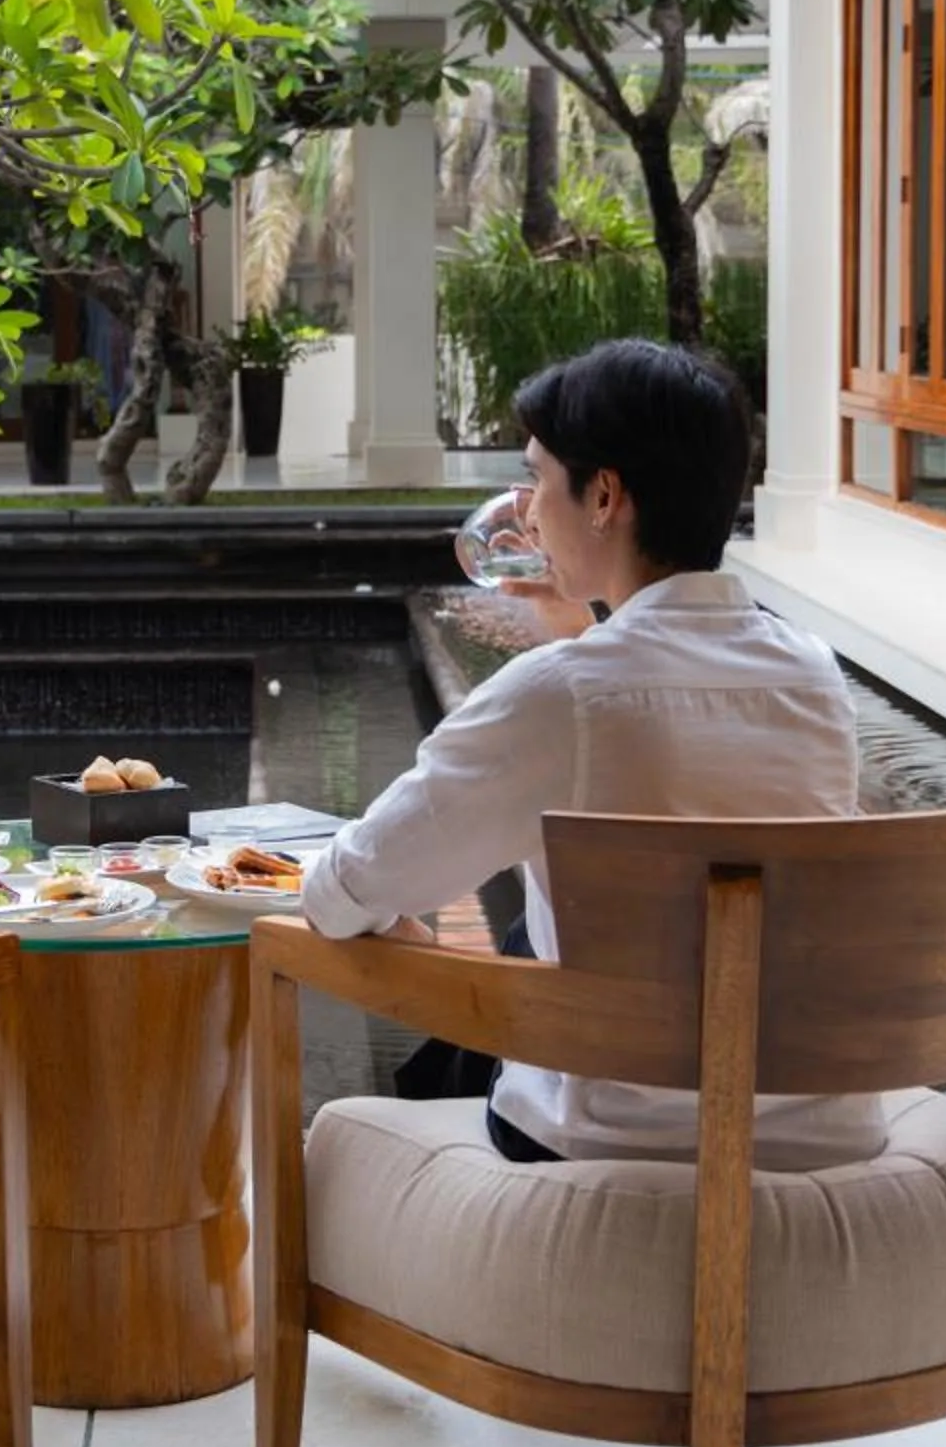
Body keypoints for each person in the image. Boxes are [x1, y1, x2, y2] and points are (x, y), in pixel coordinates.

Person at [301, 338, 885, 1167]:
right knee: (521, 952)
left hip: (607, 1143)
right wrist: (583, 634)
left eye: (538, 479)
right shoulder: (814, 677)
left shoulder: (559, 692)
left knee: (426, 965)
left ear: (604, 495)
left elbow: (343, 889)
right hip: (815, 1137)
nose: (529, 511)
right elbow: (655, 715)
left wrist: (394, 929)